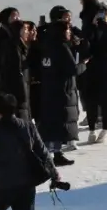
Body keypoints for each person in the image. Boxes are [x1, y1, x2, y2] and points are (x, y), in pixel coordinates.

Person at [0, 94, 59, 210]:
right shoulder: (29, 127)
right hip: (26, 185)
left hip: (1, 186)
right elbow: (43, 152)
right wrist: (54, 172)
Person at [39, 9, 86, 158]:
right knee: (61, 118)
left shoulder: (46, 44)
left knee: (52, 118)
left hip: (48, 87)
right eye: (67, 29)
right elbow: (72, 69)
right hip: (63, 88)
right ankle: (56, 151)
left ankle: (55, 151)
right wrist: (83, 64)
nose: (69, 32)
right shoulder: (62, 47)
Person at [78, 0, 107, 144]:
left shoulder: (98, 16)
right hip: (98, 60)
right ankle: (97, 125)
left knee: (98, 94)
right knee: (99, 94)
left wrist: (101, 25)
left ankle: (100, 126)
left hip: (98, 59)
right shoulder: (94, 13)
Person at [0, 8, 21, 120]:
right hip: (3, 76)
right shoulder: (0, 33)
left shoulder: (21, 32)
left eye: (17, 16)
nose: (16, 19)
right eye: (13, 16)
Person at [0, 20, 34, 122]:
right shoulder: (14, 48)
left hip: (20, 92)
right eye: (25, 29)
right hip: (16, 94)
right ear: (18, 31)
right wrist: (23, 96)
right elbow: (16, 73)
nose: (28, 32)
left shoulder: (20, 46)